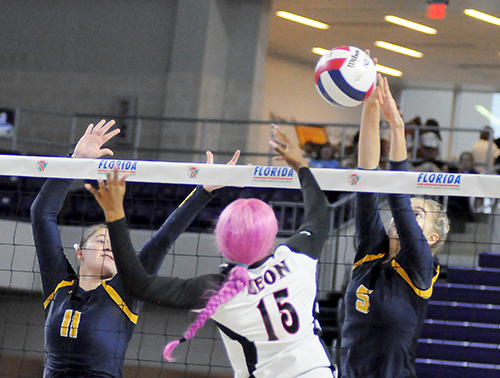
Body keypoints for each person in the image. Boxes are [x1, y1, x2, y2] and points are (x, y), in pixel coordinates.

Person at [85, 126, 337, 378]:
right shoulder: (296, 258)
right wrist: (302, 167)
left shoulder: (219, 291)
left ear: (223, 242)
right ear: (271, 237)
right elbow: (320, 216)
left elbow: (139, 284)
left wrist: (115, 214)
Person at [31, 119, 239, 378]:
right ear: (80, 253)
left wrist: (204, 192)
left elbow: (162, 240)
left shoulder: (126, 289)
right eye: (99, 241)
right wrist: (76, 160)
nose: (108, 247)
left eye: (111, 243)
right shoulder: (58, 287)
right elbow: (41, 215)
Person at [340, 75, 450, 378]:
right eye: (409, 213)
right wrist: (370, 107)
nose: (404, 216)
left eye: (418, 215)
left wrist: (397, 126)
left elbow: (399, 199)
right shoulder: (368, 255)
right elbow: (366, 179)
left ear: (431, 237)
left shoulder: (420, 265)